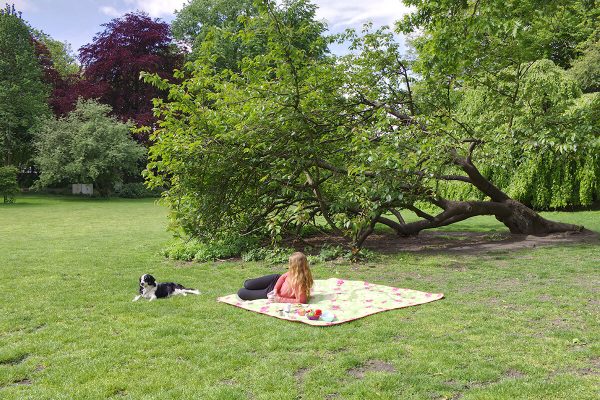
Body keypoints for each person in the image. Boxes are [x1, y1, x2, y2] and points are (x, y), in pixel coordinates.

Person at [237, 252, 313, 303]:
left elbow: (301, 301)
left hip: (270, 292)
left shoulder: (299, 282)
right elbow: (283, 277)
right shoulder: (293, 272)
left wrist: (279, 299)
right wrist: (276, 289)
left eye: (290, 263)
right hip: (275, 280)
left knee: (241, 292)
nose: (289, 265)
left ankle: (259, 289)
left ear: (294, 266)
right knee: (247, 284)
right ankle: (255, 286)